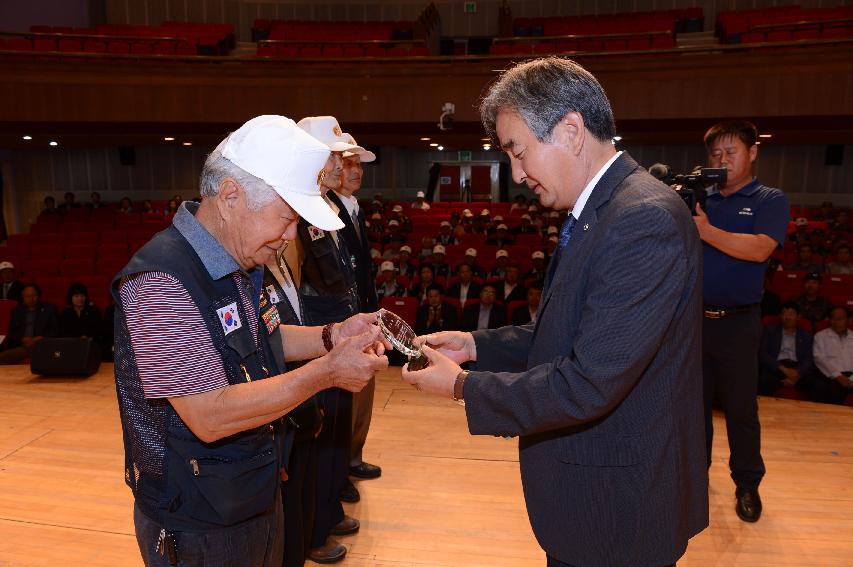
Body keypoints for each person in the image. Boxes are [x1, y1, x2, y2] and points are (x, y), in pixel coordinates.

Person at [402, 57, 707, 566]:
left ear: (569, 131)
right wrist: (476, 345)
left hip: (617, 510)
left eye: (518, 152)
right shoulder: (602, 209)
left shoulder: (640, 220)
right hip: (597, 497)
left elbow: (589, 381)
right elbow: (566, 332)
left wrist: (461, 386)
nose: (517, 174)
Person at [111, 115, 388, 567]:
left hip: (251, 491)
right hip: (199, 520)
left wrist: (331, 335)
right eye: (285, 218)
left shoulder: (244, 261)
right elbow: (209, 415)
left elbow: (266, 337)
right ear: (231, 197)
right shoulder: (160, 282)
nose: (291, 236)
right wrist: (328, 371)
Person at [694, 119, 790, 524]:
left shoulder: (769, 198)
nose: (722, 160)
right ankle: (693, 479)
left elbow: (760, 249)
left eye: (731, 152)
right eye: (715, 153)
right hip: (694, 321)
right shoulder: (703, 198)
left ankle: (747, 484)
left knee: (740, 410)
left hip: (738, 324)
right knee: (693, 408)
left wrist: (706, 231)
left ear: (752, 153)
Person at [295, 116, 369, 554]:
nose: (341, 167)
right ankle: (314, 528)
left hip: (335, 337)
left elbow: (341, 276)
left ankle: (326, 513)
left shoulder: (323, 207)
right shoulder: (299, 211)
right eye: (333, 157)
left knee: (333, 432)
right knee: (316, 440)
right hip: (313, 344)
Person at [326, 138, 384, 487]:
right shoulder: (327, 208)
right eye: (348, 163)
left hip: (361, 312)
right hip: (343, 318)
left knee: (363, 392)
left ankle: (353, 457)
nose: (356, 170)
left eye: (359, 165)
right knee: (346, 395)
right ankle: (340, 469)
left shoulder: (352, 207)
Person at [758, 302, 814, 396]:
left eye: (791, 314)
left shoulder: (806, 336)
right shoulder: (770, 331)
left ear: (798, 317)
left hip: (797, 368)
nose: (787, 317)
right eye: (784, 313)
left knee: (816, 385)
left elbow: (809, 358)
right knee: (764, 382)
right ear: (780, 316)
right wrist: (783, 369)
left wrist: (797, 373)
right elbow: (762, 353)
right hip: (776, 366)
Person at [0, 283, 60, 364]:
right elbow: (12, 332)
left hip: (42, 344)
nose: (31, 298)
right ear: (23, 298)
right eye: (27, 296)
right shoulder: (17, 311)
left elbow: (56, 330)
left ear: (38, 296)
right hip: (23, 345)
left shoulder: (49, 309)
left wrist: (40, 337)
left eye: (34, 295)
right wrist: (22, 339)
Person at [811, 306, 853, 404]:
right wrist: (838, 376)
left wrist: (851, 379)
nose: (836, 322)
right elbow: (819, 359)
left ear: (849, 320)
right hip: (831, 376)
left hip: (851, 376)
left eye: (841, 319)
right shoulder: (820, 336)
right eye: (834, 319)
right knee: (827, 390)